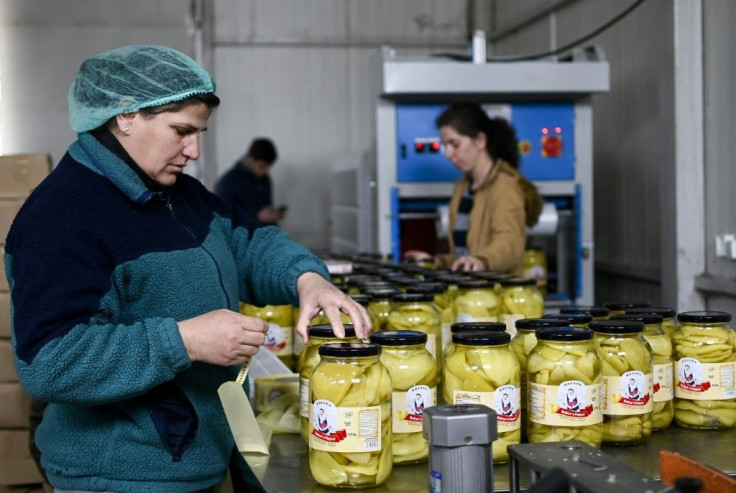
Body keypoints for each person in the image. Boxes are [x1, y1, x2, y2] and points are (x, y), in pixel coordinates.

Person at [4, 45, 371, 493]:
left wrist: (306, 278)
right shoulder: (63, 217)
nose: (193, 150)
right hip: (124, 476)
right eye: (181, 131)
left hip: (198, 455)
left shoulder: (178, 194)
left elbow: (249, 242)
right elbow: (49, 361)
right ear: (126, 116)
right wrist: (186, 340)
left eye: (199, 133)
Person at [404, 102, 543, 274]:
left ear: (479, 140)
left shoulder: (505, 186)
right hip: (469, 291)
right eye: (445, 145)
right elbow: (464, 255)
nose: (448, 154)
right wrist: (435, 261)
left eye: (455, 144)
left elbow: (510, 244)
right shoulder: (464, 188)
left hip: (500, 295)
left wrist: (482, 261)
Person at [215, 137, 285, 225]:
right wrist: (256, 216)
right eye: (262, 166)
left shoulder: (264, 179)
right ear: (251, 159)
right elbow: (221, 216)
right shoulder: (228, 181)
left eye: (268, 167)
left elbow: (266, 206)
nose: (266, 171)